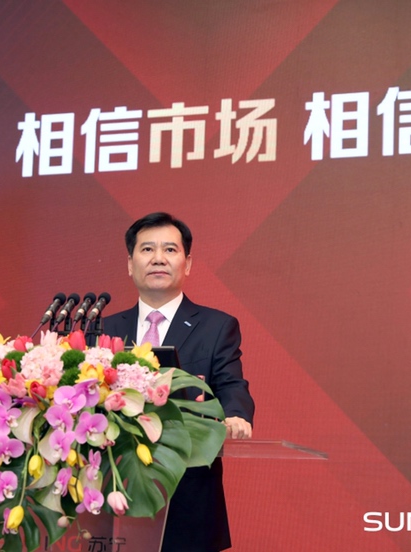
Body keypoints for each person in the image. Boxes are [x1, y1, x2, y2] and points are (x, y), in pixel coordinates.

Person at [102, 212, 255, 552]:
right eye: (147, 249)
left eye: (170, 250)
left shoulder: (216, 326)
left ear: (188, 264)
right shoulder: (104, 330)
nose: (158, 258)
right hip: (113, 491)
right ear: (130, 264)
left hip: (189, 499)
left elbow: (231, 383)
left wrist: (236, 414)